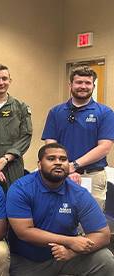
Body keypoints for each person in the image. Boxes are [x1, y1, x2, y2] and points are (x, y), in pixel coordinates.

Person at [6, 143, 114, 275]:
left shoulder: (79, 193)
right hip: (28, 260)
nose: (58, 163)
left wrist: (71, 252)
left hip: (66, 256)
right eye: (51, 159)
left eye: (63, 159)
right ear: (39, 165)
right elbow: (24, 232)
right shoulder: (21, 189)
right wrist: (70, 241)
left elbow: (103, 235)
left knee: (105, 259)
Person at [42, 65, 114, 210]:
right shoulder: (56, 112)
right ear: (70, 85)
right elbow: (50, 144)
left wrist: (73, 166)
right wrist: (64, 167)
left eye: (87, 83)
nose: (83, 86)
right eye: (79, 82)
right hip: (60, 174)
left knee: (90, 225)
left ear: (93, 86)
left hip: (92, 176)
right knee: (60, 218)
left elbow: (104, 147)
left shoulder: (105, 113)